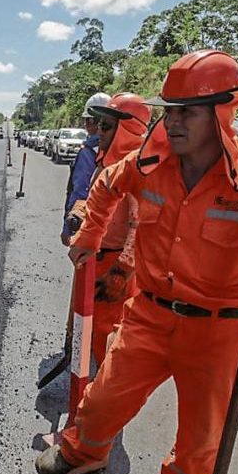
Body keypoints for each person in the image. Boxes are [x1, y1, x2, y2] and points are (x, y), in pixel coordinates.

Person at [36, 50, 238, 474]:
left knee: (202, 443)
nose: (173, 122)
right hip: (148, 316)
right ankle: (83, 451)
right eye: (170, 111)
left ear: (222, 113)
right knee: (103, 399)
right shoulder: (149, 166)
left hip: (221, 334)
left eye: (188, 112)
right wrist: (90, 235)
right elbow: (106, 184)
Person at [63, 93, 150, 368]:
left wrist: (122, 270)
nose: (98, 131)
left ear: (127, 128)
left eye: (106, 126)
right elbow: (93, 199)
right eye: (99, 124)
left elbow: (139, 224)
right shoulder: (106, 162)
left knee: (108, 333)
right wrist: (79, 212)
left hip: (115, 264)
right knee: (91, 327)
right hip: (96, 259)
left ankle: (103, 386)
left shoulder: (137, 167)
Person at [61, 92, 110, 246]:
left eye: (87, 121)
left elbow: (81, 191)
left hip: (91, 226)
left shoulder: (88, 152)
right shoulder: (123, 150)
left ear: (93, 122)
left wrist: (68, 228)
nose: (85, 125)